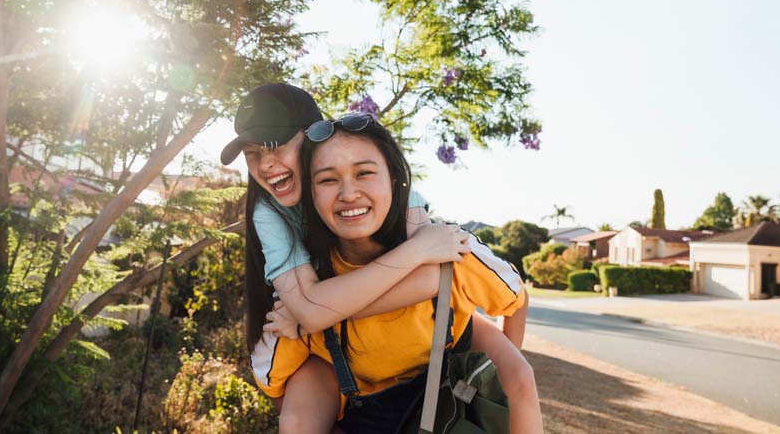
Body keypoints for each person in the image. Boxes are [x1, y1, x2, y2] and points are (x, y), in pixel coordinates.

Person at [248, 111, 544, 433]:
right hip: (363, 404)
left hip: (447, 381)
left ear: (393, 179)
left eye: (364, 173)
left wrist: (492, 383)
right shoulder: (305, 288)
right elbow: (271, 381)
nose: (348, 194)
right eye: (328, 179)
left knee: (520, 379)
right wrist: (306, 319)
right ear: (311, 198)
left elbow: (516, 299)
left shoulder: (447, 248)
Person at [221, 83, 472, 433]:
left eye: (275, 145)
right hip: (318, 350)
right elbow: (307, 313)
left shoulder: (378, 179)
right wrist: (414, 252)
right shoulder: (269, 211)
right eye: (252, 154)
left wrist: (317, 312)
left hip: (405, 330)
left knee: (511, 375)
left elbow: (432, 280)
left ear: (313, 137)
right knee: (296, 422)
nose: (265, 165)